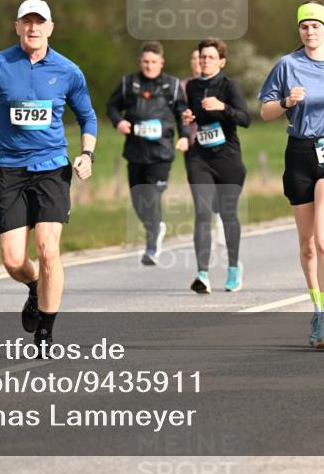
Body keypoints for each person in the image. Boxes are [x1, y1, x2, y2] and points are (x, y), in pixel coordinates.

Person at [0, 0, 97, 349]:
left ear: (50, 28)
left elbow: (87, 116)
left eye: (39, 22)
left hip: (51, 169)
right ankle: (34, 284)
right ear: (17, 27)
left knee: (48, 249)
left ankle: (46, 331)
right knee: (13, 260)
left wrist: (87, 154)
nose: (33, 28)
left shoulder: (68, 70)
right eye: (27, 22)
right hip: (9, 170)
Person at [259, 0, 324, 349]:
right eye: (304, 26)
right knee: (306, 246)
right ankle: (318, 309)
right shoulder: (287, 65)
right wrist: (286, 102)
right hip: (300, 153)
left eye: (316, 25)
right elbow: (265, 111)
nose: (309, 31)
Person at [106, 41, 189, 265]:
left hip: (161, 153)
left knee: (151, 197)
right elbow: (112, 106)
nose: (149, 66)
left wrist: (184, 136)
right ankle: (156, 227)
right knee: (138, 202)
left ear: (161, 63)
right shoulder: (128, 83)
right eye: (145, 62)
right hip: (135, 152)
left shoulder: (172, 86)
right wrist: (118, 121)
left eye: (153, 62)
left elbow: (182, 113)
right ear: (140, 62)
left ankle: (152, 244)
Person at [182, 37, 251, 294]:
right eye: (202, 57)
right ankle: (202, 274)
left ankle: (233, 268)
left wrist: (223, 107)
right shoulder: (192, 87)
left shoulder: (230, 86)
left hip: (228, 158)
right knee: (202, 213)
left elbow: (245, 119)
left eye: (211, 57)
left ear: (221, 61)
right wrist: (189, 116)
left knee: (227, 214)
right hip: (200, 157)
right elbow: (192, 114)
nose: (205, 61)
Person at [183, 48, 226, 248]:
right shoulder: (183, 86)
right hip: (192, 145)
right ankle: (205, 228)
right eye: (195, 59)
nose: (198, 62)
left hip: (217, 143)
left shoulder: (219, 84)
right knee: (199, 189)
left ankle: (219, 218)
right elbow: (177, 112)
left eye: (201, 58)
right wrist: (183, 135)